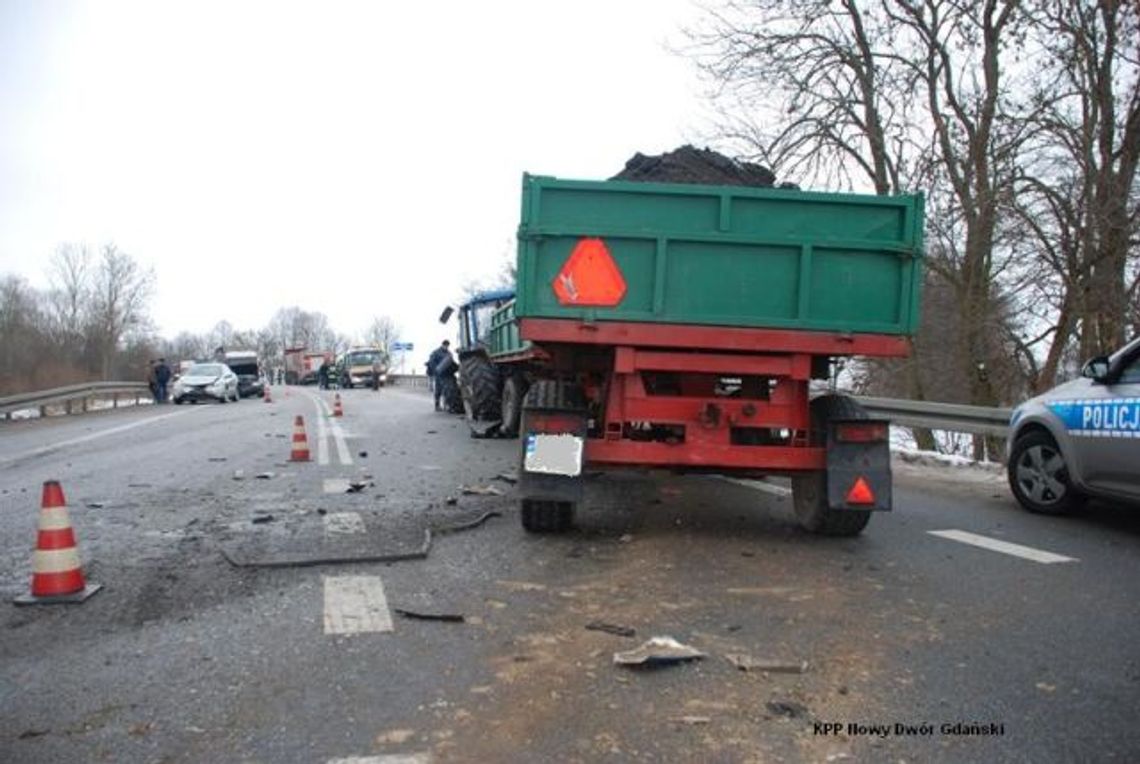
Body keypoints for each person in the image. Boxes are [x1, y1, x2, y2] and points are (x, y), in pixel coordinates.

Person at [427, 340, 452, 411]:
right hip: (438, 374)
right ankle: (437, 405)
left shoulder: (449, 353)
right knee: (438, 390)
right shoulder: (436, 352)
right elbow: (432, 362)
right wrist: (435, 370)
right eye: (445, 346)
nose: (446, 347)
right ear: (443, 345)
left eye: (447, 346)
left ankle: (446, 405)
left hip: (446, 374)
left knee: (447, 390)